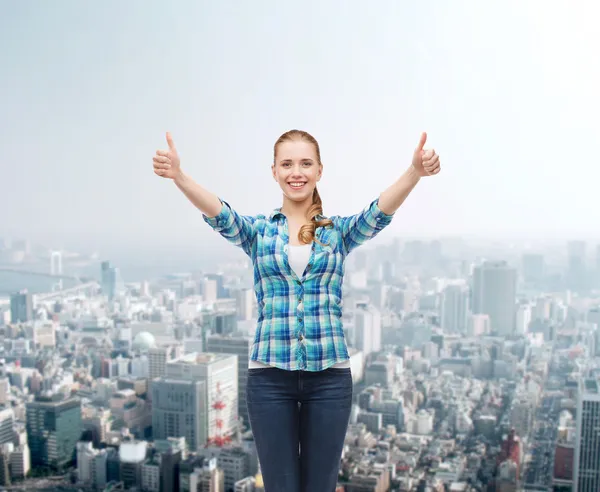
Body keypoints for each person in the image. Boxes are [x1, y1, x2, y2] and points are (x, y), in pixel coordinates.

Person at [152, 129, 441, 491]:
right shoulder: (259, 232)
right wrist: (179, 176)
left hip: (330, 379)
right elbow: (220, 214)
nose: (296, 172)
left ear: (320, 170)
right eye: (287, 164)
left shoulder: (337, 232)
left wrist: (414, 171)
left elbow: (377, 213)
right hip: (270, 377)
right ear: (273, 171)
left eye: (305, 163)